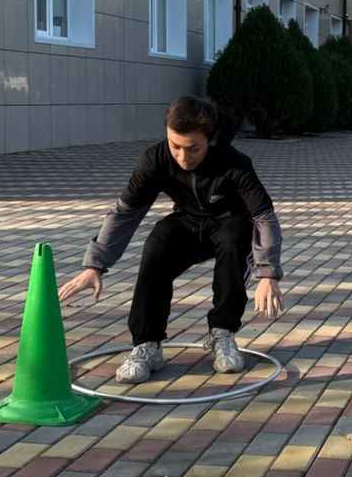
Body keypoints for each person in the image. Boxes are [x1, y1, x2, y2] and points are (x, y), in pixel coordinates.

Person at [58, 95, 284, 383]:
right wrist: (94, 266)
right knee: (157, 242)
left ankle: (223, 334)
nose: (182, 157)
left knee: (235, 237)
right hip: (187, 221)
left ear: (212, 140)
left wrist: (268, 274)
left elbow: (265, 217)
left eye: (193, 148)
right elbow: (124, 213)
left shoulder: (235, 164)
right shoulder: (154, 160)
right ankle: (147, 345)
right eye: (175, 145)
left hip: (229, 223)